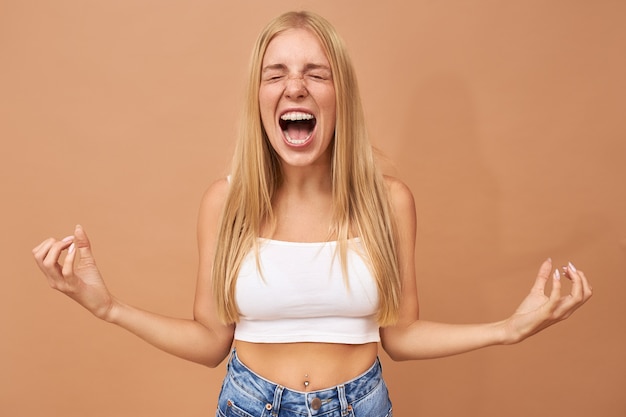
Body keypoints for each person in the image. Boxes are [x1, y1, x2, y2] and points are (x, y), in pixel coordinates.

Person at [32, 11, 592, 417]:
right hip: (249, 405)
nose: (294, 86)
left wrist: (507, 331)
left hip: (361, 406)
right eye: (275, 74)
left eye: (315, 73)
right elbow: (210, 342)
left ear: (339, 94)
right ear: (257, 97)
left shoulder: (389, 202)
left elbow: (399, 335)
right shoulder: (223, 204)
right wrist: (108, 310)